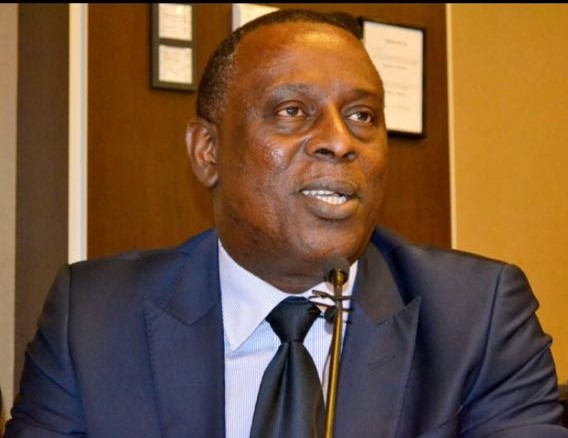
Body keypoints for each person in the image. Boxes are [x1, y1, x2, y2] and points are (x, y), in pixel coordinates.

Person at [5, 8, 567, 438]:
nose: (339, 141)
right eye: (292, 111)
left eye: (362, 115)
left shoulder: (478, 317)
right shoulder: (93, 320)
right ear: (207, 152)